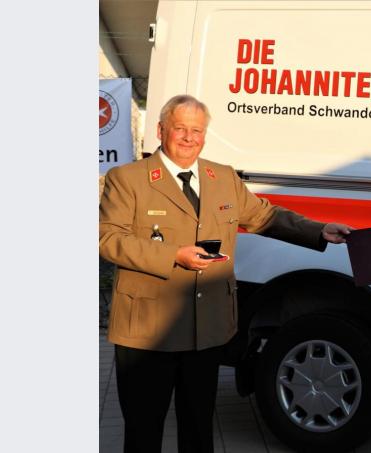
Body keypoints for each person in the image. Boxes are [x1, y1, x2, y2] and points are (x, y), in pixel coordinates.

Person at [99, 94, 353, 453]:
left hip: (206, 327)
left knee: (199, 427)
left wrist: (318, 230)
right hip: (148, 331)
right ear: (161, 130)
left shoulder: (222, 177)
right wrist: (174, 256)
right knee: (143, 430)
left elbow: (264, 216)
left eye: (197, 130)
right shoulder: (128, 179)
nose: (189, 138)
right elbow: (109, 239)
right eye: (180, 129)